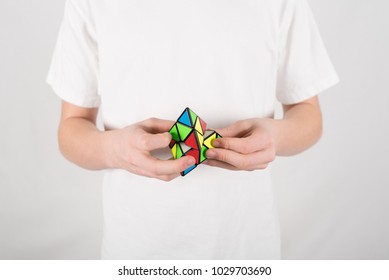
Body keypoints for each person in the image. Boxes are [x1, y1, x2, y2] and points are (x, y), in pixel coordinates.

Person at [47, 0, 339, 259]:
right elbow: (71, 128)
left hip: (247, 249)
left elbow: (309, 115)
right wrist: (114, 150)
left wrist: (275, 136)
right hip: (134, 250)